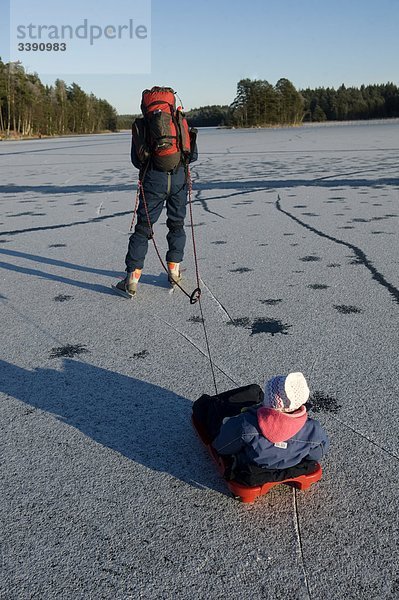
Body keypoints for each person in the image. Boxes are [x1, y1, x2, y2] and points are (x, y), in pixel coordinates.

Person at [114, 86, 198, 298]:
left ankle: (132, 280)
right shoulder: (179, 119)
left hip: (153, 180)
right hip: (178, 177)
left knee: (143, 228)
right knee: (176, 224)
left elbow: (137, 160)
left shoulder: (142, 125)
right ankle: (174, 271)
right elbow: (192, 155)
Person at [193, 372, 329, 486]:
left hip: (252, 465)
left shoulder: (247, 425)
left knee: (215, 413)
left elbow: (222, 447)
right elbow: (316, 455)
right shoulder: (313, 430)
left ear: (268, 403)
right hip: (292, 462)